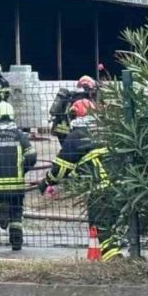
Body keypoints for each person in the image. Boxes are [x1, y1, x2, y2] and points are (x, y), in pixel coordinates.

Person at [39, 99, 120, 261]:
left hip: (100, 189)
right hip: (121, 186)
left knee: (100, 225)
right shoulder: (106, 132)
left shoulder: (77, 136)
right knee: (112, 224)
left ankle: (114, 260)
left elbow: (61, 168)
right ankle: (115, 255)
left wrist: (47, 182)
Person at [0, 102, 36, 251]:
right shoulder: (19, 134)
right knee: (16, 212)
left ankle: (0, 210)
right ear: (11, 114)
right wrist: (22, 169)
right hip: (17, 184)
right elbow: (32, 155)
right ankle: (16, 243)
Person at [49, 76, 99, 147]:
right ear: (86, 87)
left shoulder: (72, 95)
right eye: (91, 89)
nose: (92, 92)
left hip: (60, 127)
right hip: (67, 128)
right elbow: (82, 118)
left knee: (66, 149)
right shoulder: (82, 99)